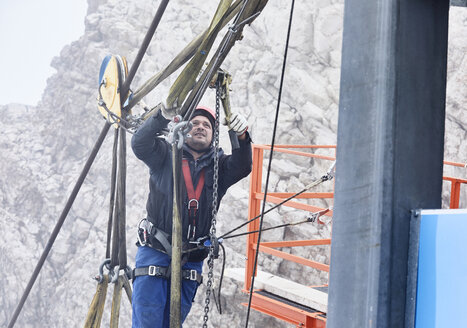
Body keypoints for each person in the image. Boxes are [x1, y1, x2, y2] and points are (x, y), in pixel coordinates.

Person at [131, 104, 252, 327]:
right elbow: (140, 144)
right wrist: (162, 116)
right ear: (184, 128)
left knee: (173, 323)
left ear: (214, 136)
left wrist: (241, 136)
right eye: (195, 123)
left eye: (206, 125)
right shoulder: (166, 155)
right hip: (156, 249)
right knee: (147, 321)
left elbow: (243, 165)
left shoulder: (220, 167)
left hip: (191, 259)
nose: (200, 127)